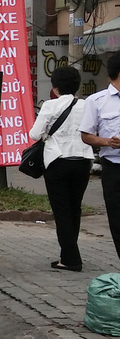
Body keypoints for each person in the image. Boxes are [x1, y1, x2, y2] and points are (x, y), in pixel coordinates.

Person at [29, 66, 93, 272]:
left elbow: (34, 134)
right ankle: (68, 253)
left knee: (62, 211)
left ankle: (71, 259)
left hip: (57, 161)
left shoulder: (50, 105)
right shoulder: (86, 105)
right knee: (75, 208)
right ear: (77, 86)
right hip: (83, 160)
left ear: (55, 88)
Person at [79, 50, 120, 261]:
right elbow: (86, 135)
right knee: (117, 219)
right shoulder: (96, 101)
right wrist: (107, 142)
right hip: (113, 167)